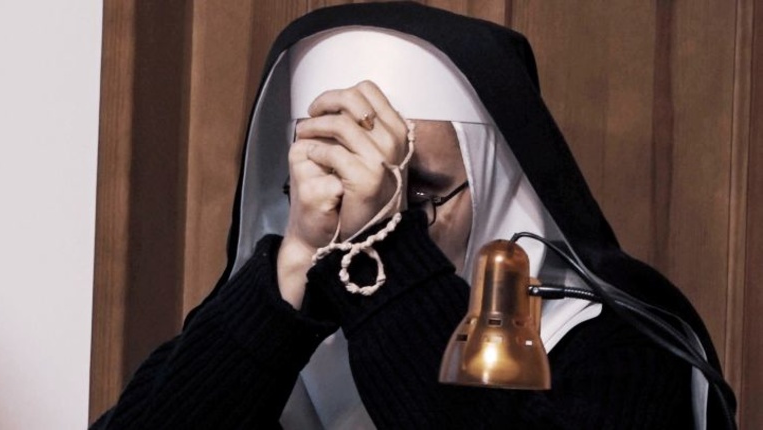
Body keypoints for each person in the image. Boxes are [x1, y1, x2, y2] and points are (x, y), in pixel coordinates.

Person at [91, 3, 735, 429]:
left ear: (498, 182)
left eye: (417, 194)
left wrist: (383, 253)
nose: (366, 215)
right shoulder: (262, 331)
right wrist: (291, 269)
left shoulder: (618, 349)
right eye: (338, 183)